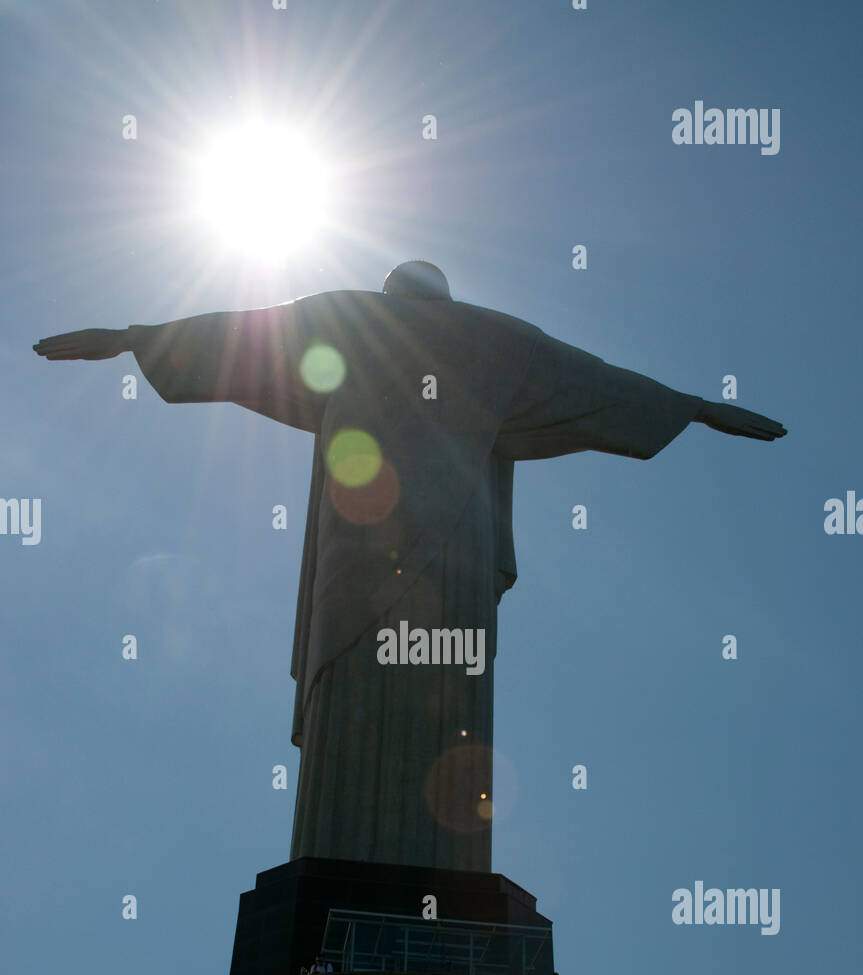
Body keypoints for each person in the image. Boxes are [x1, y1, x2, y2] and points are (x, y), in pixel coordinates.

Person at [34, 267, 785, 874]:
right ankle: (428, 872)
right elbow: (598, 383)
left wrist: (134, 337)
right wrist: (693, 408)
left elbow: (239, 338)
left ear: (390, 290)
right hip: (450, 546)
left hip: (360, 542)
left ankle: (354, 863)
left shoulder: (351, 317)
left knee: (371, 680)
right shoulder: (497, 338)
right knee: (436, 691)